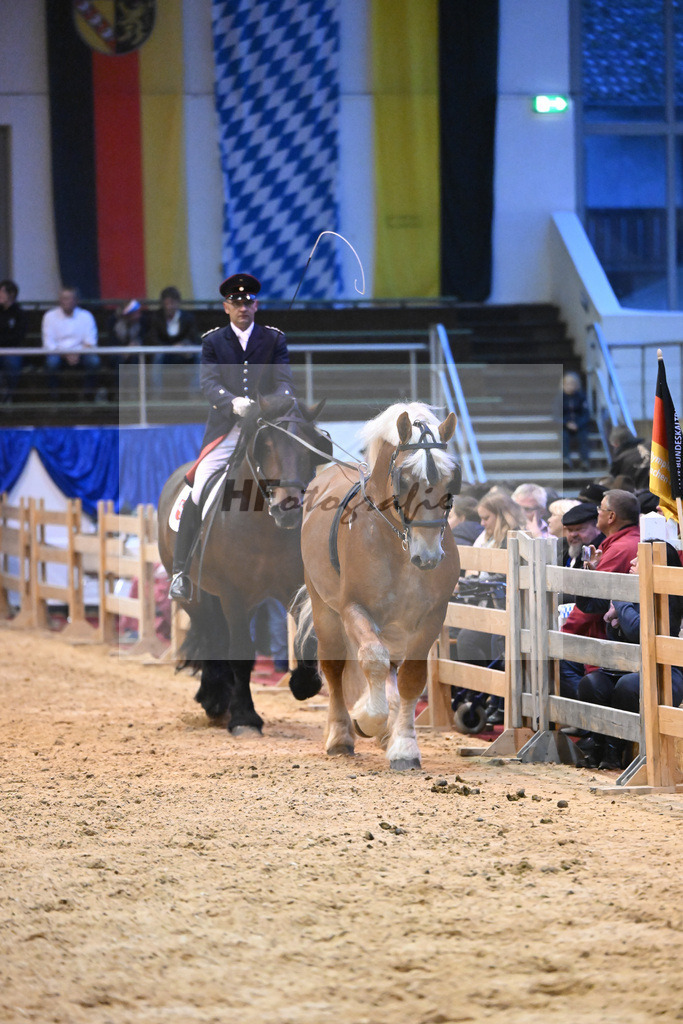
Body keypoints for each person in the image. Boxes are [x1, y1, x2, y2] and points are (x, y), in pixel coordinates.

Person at [169, 272, 295, 600]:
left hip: (266, 428)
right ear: (227, 307)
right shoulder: (212, 342)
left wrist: (271, 403)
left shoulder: (274, 338)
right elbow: (208, 384)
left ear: (257, 305)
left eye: (249, 301)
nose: (244, 307)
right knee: (199, 487)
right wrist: (233, 402)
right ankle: (181, 571)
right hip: (228, 428)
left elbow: (285, 382)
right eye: (237, 302)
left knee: (295, 475)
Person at [577, 543, 683, 770]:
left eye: (639, 558)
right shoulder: (628, 587)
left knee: (628, 685)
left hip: (663, 673)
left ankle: (614, 751)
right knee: (592, 683)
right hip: (622, 667)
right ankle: (598, 745)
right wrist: (590, 572)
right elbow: (587, 604)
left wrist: (619, 598)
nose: (632, 563)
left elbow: (637, 630)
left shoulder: (667, 596)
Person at [559, 489, 640, 699]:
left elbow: (595, 602)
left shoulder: (620, 548)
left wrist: (564, 635)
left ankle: (585, 720)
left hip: (609, 640)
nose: (598, 513)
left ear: (611, 516)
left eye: (600, 509)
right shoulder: (622, 542)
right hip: (613, 636)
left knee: (561, 659)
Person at [41, 286, 101, 400]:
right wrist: (65, 354)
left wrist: (77, 354)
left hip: (81, 353)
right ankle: (53, 398)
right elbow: (48, 343)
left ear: (76, 300)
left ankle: (88, 396)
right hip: (58, 353)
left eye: (69, 298)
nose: (65, 301)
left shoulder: (86, 316)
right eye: (63, 298)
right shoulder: (49, 316)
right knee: (51, 363)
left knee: (94, 361)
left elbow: (90, 341)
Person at [147, 286, 199, 391]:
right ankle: (157, 392)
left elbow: (193, 337)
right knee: (157, 356)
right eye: (167, 304)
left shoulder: (188, 318)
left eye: (172, 303)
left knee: (200, 354)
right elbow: (153, 338)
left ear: (178, 303)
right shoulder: (156, 317)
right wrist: (170, 348)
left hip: (184, 352)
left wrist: (184, 345)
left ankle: (195, 391)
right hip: (164, 352)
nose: (169, 307)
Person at [555, 371, 591, 471]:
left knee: (583, 436)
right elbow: (556, 415)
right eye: (568, 384)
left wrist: (578, 424)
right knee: (564, 436)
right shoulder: (559, 398)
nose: (570, 386)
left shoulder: (581, 397)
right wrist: (566, 423)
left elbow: (586, 414)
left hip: (579, 424)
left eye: (573, 384)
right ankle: (566, 460)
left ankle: (584, 461)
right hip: (565, 424)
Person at [0, 279, 25, 402]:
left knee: (12, 364)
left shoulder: (19, 313)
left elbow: (17, 336)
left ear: (11, 294)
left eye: (2, 292)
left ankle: (9, 396)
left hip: (11, 350)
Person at [608, 425, 650, 489]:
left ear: (615, 444)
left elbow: (618, 487)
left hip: (642, 496)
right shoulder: (652, 446)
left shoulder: (620, 462)